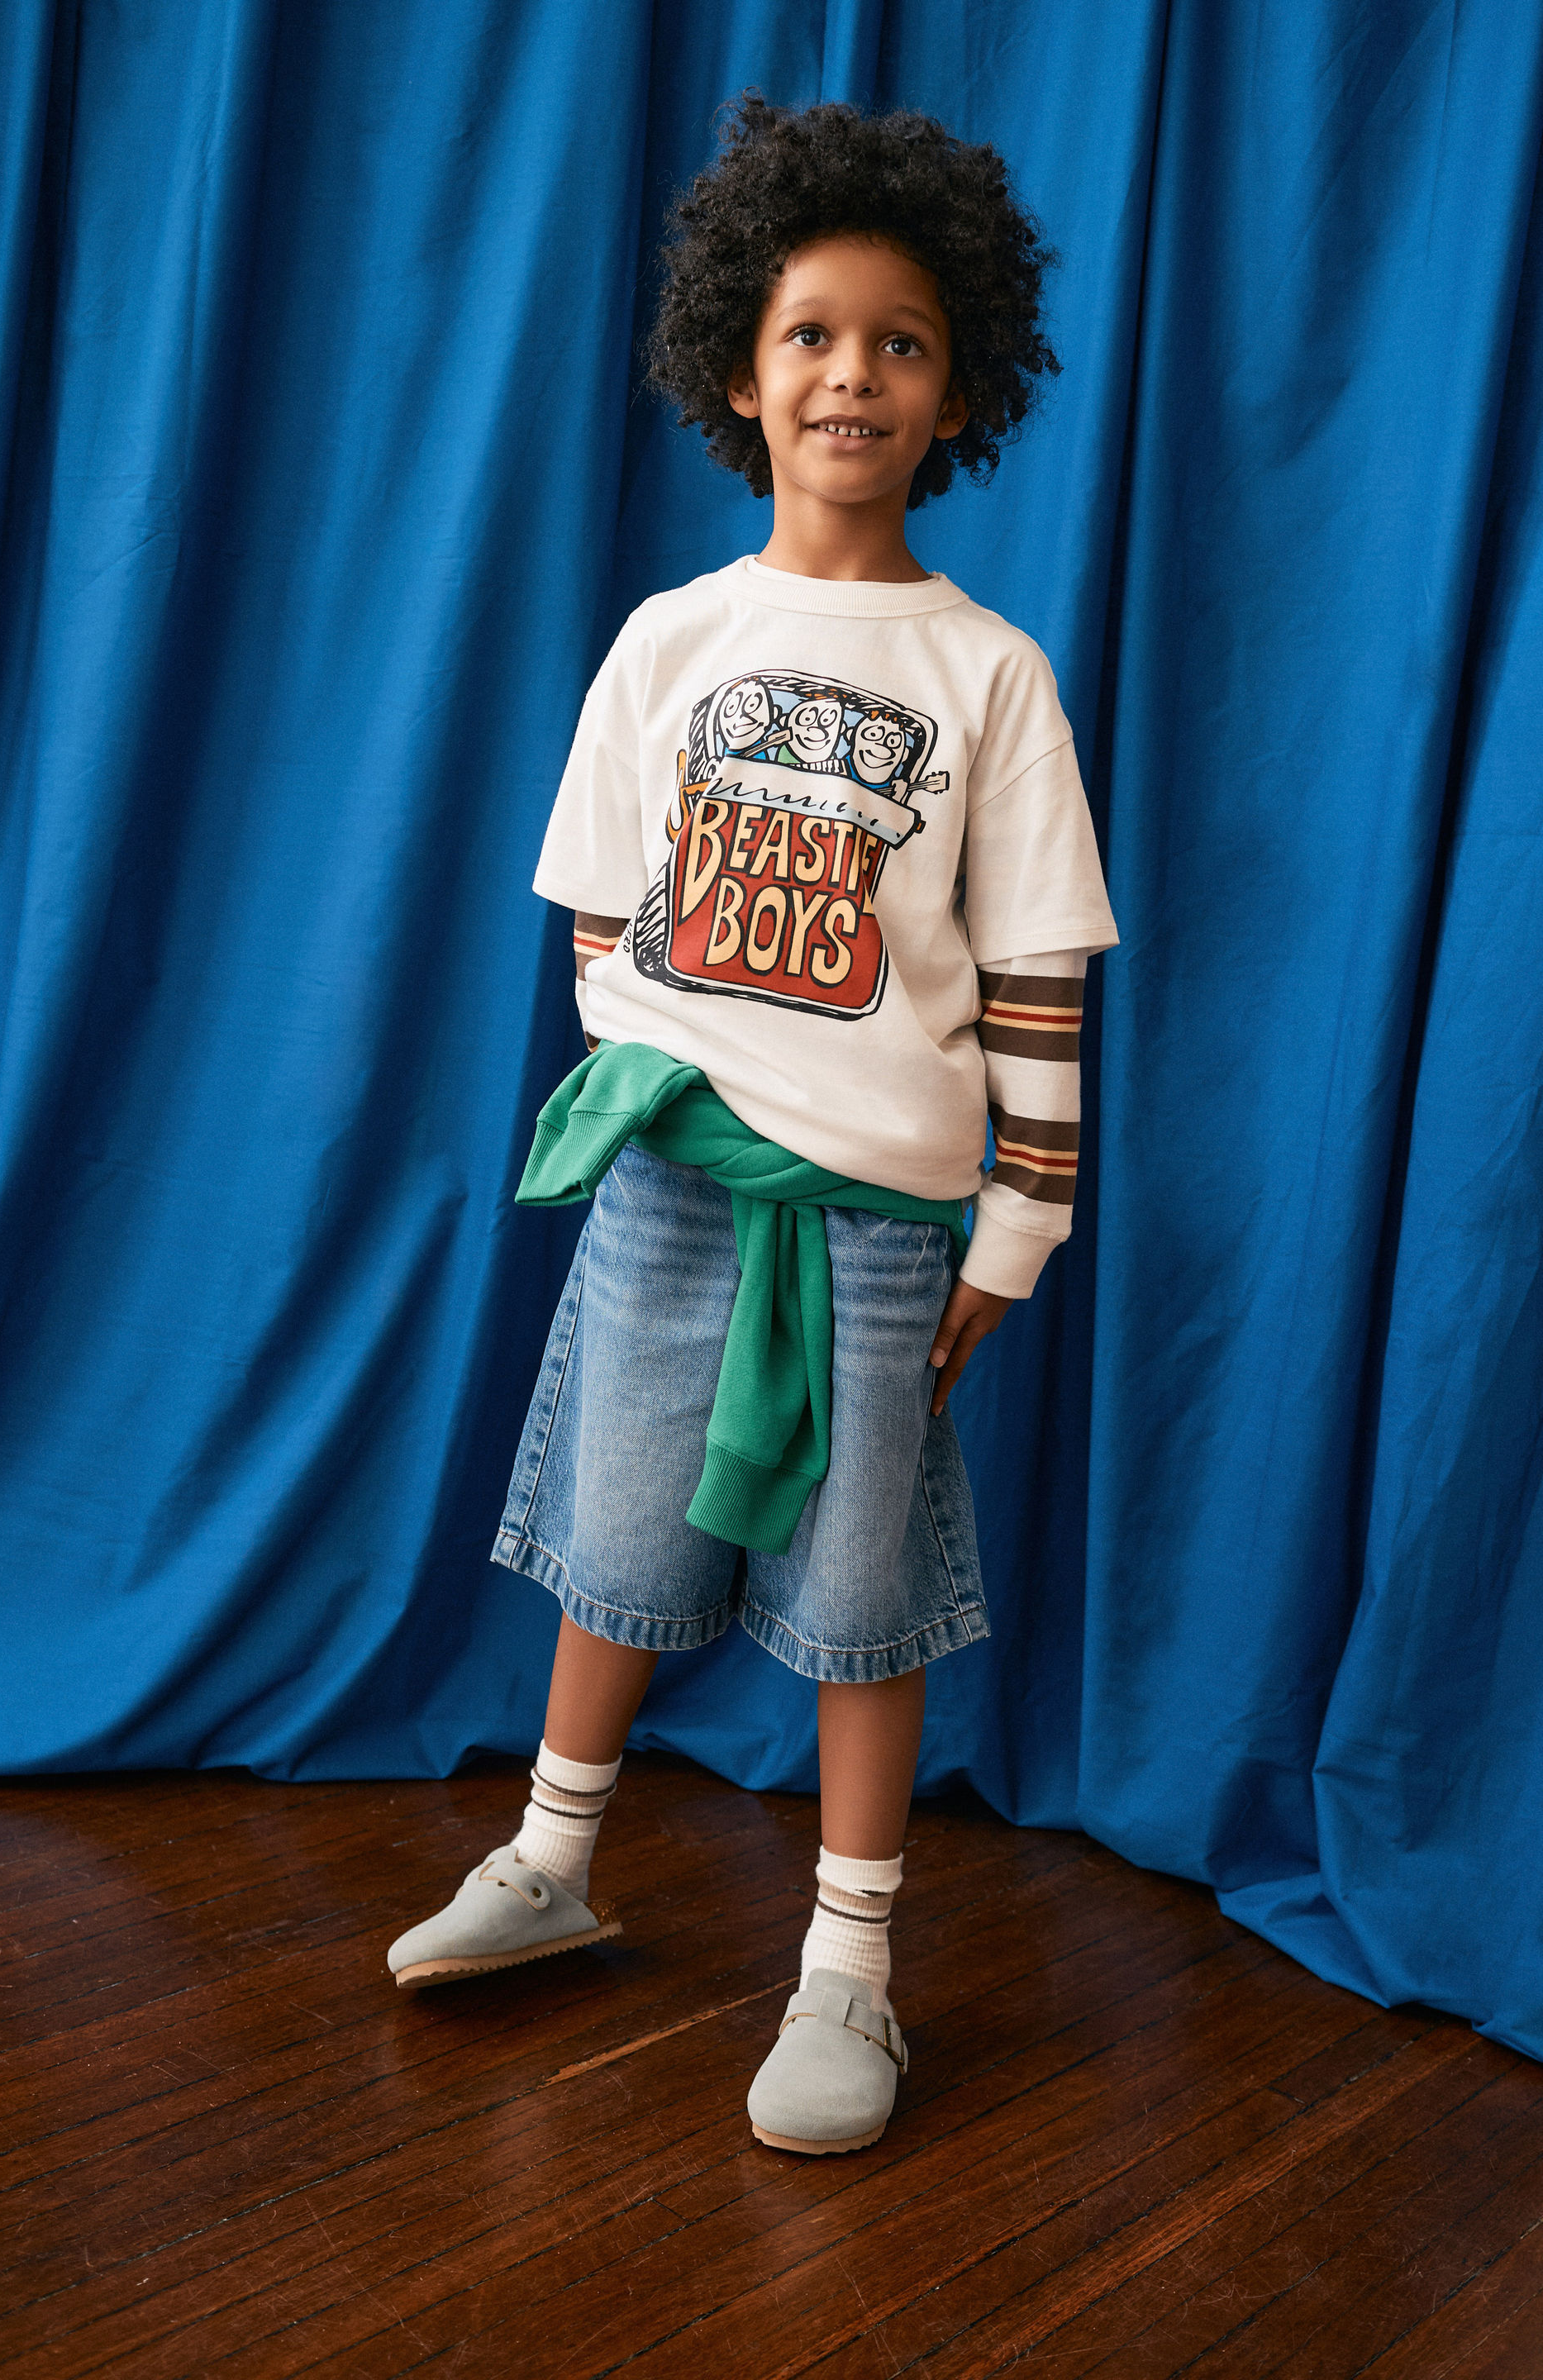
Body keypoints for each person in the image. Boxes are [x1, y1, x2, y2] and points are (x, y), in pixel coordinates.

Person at [387, 96, 1118, 2157]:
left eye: (900, 342)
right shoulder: (672, 641)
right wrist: (671, 1081)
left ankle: (850, 1968)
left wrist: (1017, 1228)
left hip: (881, 1228)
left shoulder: (989, 676)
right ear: (738, 364)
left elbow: (1041, 977)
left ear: (958, 387)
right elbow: (598, 915)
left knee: (862, 1591)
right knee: (617, 1538)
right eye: (811, 334)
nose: (850, 374)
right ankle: (553, 1859)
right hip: (672, 1190)